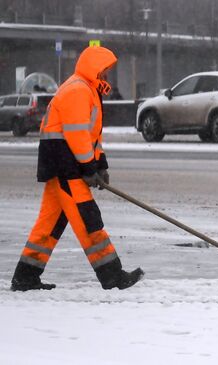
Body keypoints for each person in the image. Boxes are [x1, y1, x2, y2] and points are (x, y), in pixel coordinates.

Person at [10, 46, 144, 291]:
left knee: (49, 224)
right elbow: (76, 135)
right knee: (88, 219)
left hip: (65, 165)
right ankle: (112, 276)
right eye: (104, 70)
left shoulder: (88, 90)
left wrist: (100, 163)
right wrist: (88, 166)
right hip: (65, 166)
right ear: (93, 69)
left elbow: (92, 137)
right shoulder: (78, 90)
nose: (106, 76)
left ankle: (25, 276)